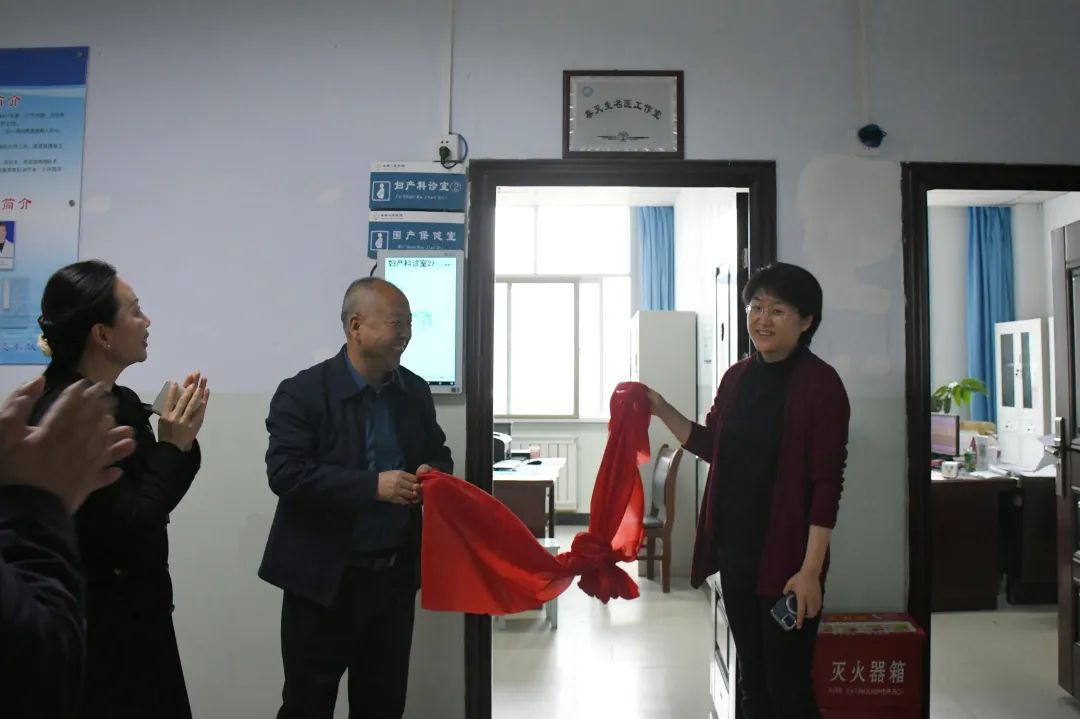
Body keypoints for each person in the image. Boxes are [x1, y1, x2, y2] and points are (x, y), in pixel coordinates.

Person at [646, 262, 849, 718]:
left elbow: (826, 486)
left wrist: (810, 571)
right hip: (736, 554)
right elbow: (711, 445)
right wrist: (661, 408)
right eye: (755, 307)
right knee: (753, 681)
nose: (762, 319)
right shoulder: (736, 378)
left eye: (777, 310)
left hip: (788, 561)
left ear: (806, 321)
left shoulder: (821, 385)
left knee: (788, 686)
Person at [260, 276, 452, 719]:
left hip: (392, 579)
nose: (405, 335)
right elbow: (286, 474)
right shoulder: (303, 393)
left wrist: (432, 474)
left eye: (410, 324)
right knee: (308, 705)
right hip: (322, 581)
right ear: (356, 326)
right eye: (396, 323)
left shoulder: (414, 391)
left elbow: (437, 452)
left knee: (383, 704)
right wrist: (372, 486)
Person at [31, 259, 210, 719]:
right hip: (99, 629)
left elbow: (154, 499)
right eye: (134, 311)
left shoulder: (120, 401)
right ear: (102, 334)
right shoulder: (67, 416)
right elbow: (129, 525)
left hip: (140, 613)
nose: (147, 321)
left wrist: (178, 442)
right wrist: (171, 446)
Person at [0, 377, 136, 718]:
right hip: (105, 616)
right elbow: (34, 665)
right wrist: (34, 505)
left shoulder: (122, 406)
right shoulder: (59, 421)